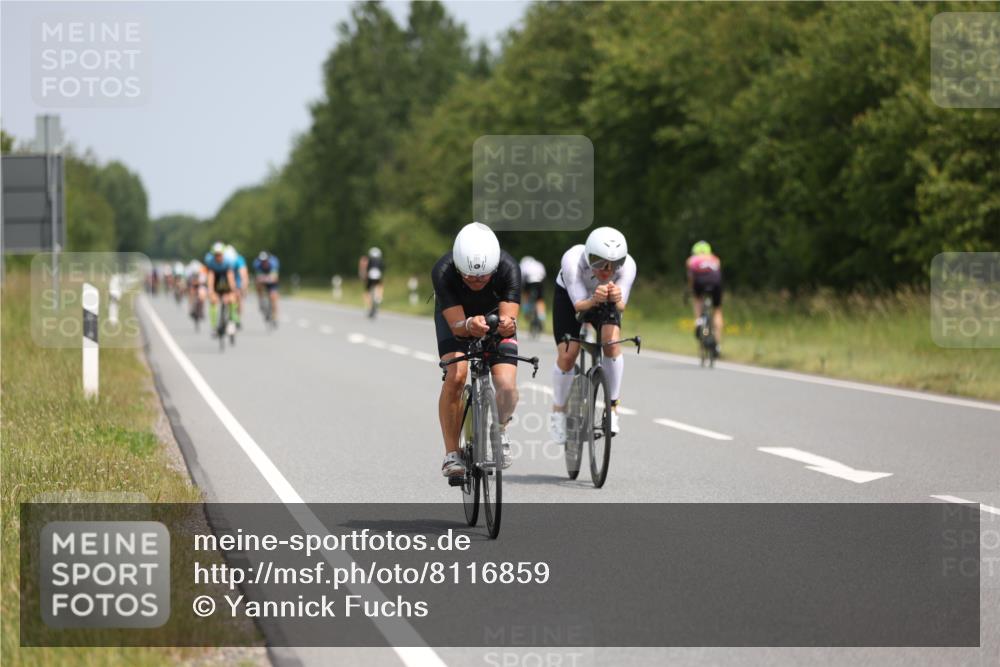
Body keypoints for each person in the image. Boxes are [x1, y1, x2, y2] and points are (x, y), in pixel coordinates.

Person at [433, 223, 521, 476]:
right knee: (456, 375)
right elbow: (457, 327)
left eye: (483, 276)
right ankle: (452, 454)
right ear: (458, 268)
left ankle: (500, 430)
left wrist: (506, 325)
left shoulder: (508, 267)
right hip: (456, 319)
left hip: (494, 318)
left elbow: (509, 319)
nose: (476, 281)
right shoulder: (443, 270)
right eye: (469, 276)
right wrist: (468, 325)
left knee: (506, 386)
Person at [548, 227, 637, 444]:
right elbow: (579, 306)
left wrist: (616, 298)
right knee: (568, 355)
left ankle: (612, 408)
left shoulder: (629, 266)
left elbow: (621, 307)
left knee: (612, 344)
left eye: (614, 264)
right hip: (571, 298)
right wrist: (594, 299)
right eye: (599, 262)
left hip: (604, 299)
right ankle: (558, 412)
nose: (607, 270)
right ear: (588, 256)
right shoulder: (572, 260)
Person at [687, 241, 723, 356]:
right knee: (717, 310)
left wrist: (691, 290)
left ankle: (699, 321)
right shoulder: (715, 259)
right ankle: (717, 345)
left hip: (700, 281)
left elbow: (691, 277)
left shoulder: (692, 260)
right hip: (716, 282)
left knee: (697, 299)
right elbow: (718, 273)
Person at [204, 242, 237, 336]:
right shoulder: (211, 262)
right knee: (213, 301)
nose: (218, 257)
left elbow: (230, 276)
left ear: (223, 254)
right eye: (216, 255)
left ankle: (231, 322)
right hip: (216, 282)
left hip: (226, 281)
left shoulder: (228, 262)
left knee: (232, 299)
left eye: (220, 255)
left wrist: (232, 289)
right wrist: (210, 290)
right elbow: (211, 277)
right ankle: (214, 327)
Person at [519, 255, 547, 334]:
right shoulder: (538, 264)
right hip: (539, 282)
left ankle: (526, 312)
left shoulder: (523, 265)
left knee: (526, 296)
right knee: (540, 300)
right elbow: (544, 275)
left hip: (529, 282)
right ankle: (541, 316)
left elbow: (521, 278)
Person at [223, 244, 249, 329]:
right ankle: (224, 315)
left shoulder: (239, 259)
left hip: (237, 278)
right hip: (224, 278)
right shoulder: (222, 260)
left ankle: (237, 318)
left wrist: (244, 287)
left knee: (238, 296)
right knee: (225, 297)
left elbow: (243, 274)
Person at [253, 251, 281, 324]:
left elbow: (275, 278)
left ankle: (275, 316)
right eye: (262, 261)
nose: (264, 262)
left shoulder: (273, 263)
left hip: (272, 283)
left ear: (268, 260)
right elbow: (258, 277)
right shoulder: (258, 264)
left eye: (265, 261)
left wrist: (266, 278)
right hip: (264, 280)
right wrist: (264, 278)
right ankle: (260, 299)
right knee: (258, 284)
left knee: (273, 296)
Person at [359, 247, 385, 316]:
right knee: (380, 285)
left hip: (370, 276)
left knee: (367, 291)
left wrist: (364, 277)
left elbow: (366, 268)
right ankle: (379, 297)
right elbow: (382, 269)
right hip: (378, 276)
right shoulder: (380, 260)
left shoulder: (369, 260)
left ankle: (369, 305)